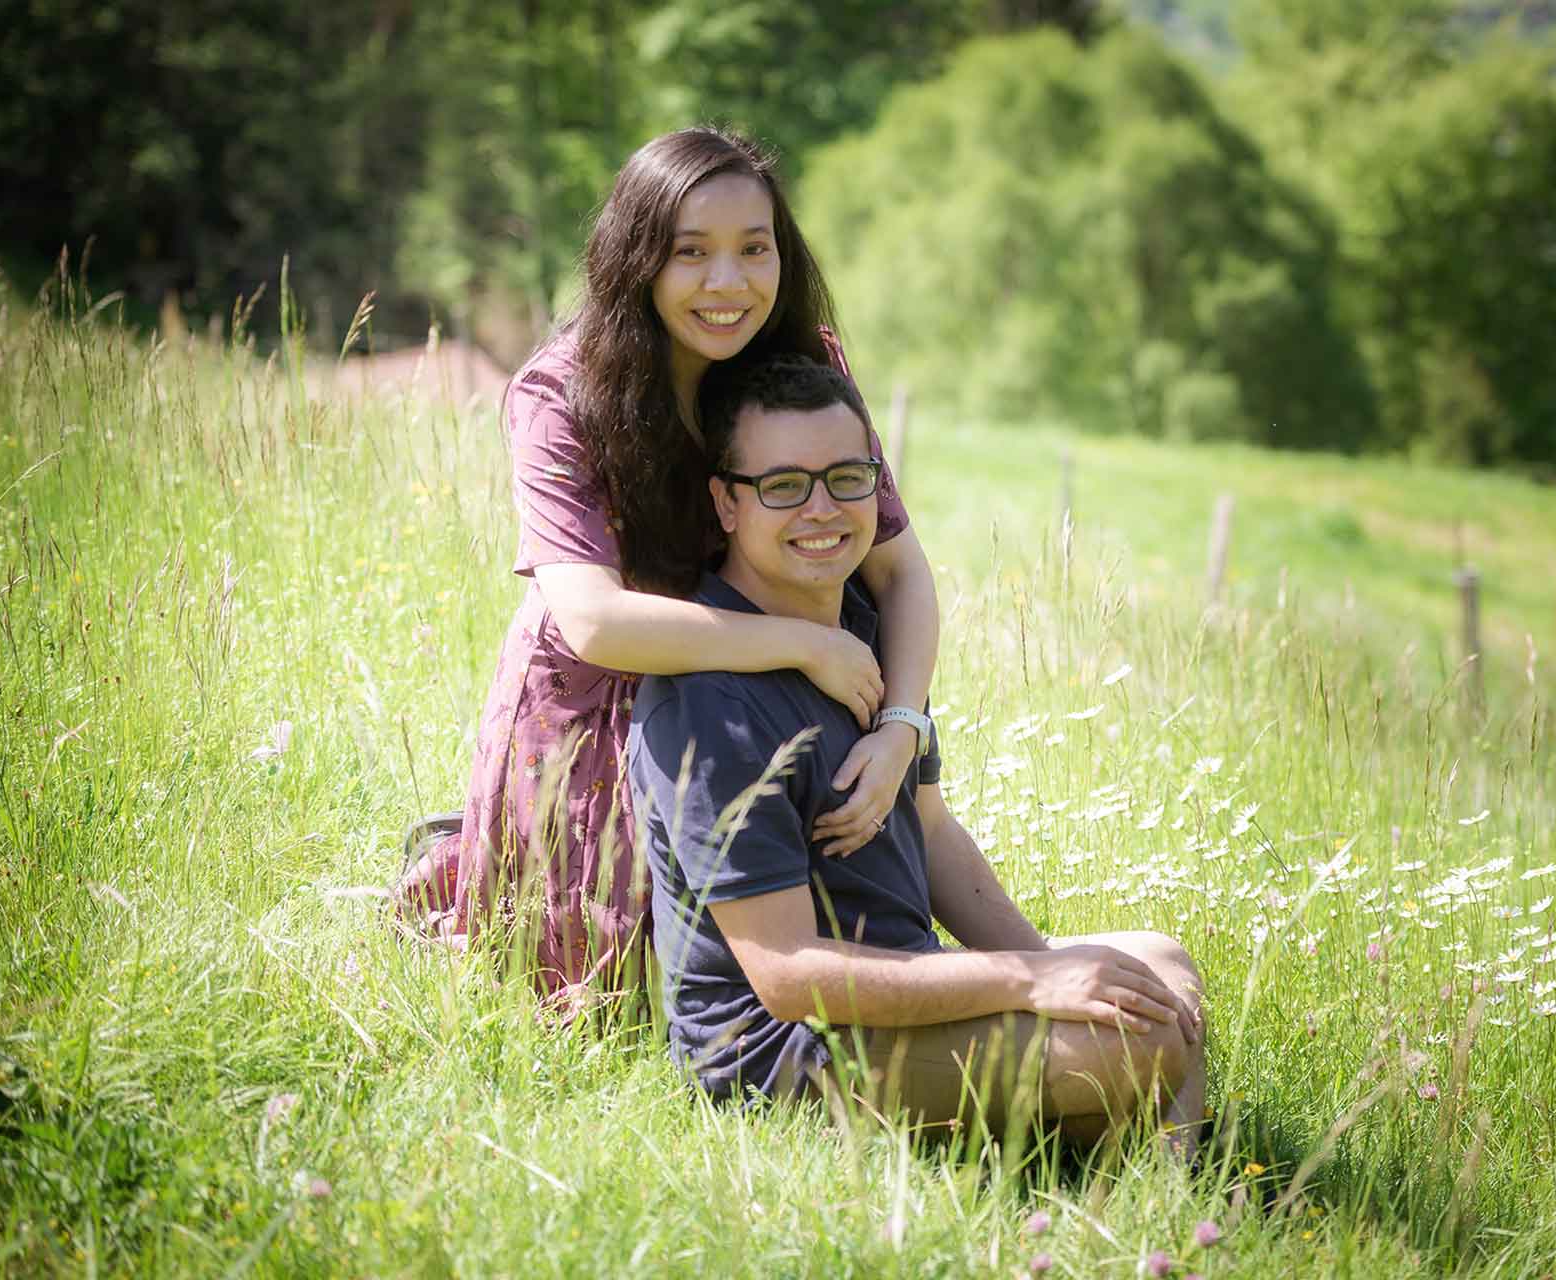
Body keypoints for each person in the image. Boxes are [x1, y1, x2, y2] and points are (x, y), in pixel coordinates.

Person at [393, 127, 943, 1006]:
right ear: (637, 259)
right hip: (603, 708)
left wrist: (903, 729)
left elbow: (901, 573)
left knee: (834, 953)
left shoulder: (806, 364)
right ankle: (460, 862)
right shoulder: (559, 392)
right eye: (692, 253)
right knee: (606, 1002)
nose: (728, 284)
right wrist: (802, 643)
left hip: (768, 705)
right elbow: (595, 622)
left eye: (753, 250)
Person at [631, 355, 1206, 1147]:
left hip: (906, 993)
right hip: (787, 1057)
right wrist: (1032, 981)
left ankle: (1156, 1173)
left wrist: (1067, 977)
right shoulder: (709, 698)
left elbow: (930, 834)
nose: (823, 509)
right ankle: (1150, 1175)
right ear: (727, 503)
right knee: (1145, 1038)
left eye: (847, 477)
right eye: (785, 486)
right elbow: (789, 975)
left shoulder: (866, 632)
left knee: (1155, 965)